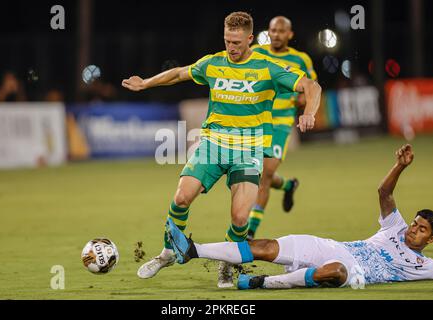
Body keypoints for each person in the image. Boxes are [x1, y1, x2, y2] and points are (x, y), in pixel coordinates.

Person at [122, 11, 321, 287]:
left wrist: (310, 112)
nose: (231, 47)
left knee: (240, 218)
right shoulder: (213, 63)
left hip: (249, 148)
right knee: (181, 198)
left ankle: (226, 263)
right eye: (228, 41)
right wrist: (146, 83)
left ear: (250, 39)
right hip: (213, 145)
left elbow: (311, 86)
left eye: (237, 42)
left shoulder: (267, 67)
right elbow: (179, 73)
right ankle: (168, 252)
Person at [167, 144, 433, 289]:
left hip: (356, 272)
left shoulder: (425, 266)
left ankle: (265, 282)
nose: (412, 229)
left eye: (421, 230)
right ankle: (192, 249)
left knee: (337, 272)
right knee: (265, 246)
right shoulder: (394, 228)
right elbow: (384, 192)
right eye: (414, 223)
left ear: (431, 239)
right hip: (334, 247)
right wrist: (399, 166)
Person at [248, 16, 318, 240]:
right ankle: (288, 185)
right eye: (272, 30)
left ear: (290, 34)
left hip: (280, 124)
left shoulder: (300, 59)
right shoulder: (256, 52)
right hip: (255, 121)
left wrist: (303, 102)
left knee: (265, 173)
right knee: (258, 174)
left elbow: (311, 87)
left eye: (281, 31)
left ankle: (249, 232)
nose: (276, 34)